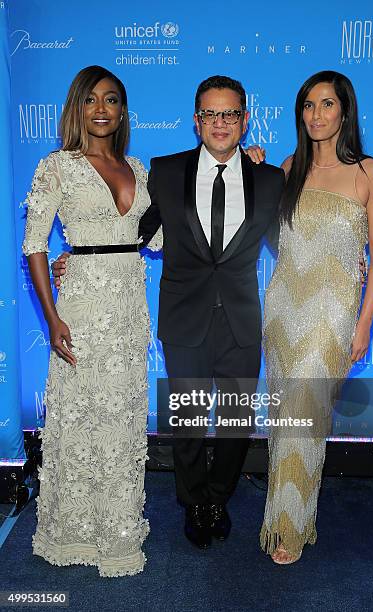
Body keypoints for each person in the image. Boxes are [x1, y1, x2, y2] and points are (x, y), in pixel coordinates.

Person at [55, 75, 285, 549]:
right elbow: (130, 232)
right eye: (210, 114)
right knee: (187, 420)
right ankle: (194, 502)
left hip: (242, 318)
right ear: (196, 120)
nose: (220, 123)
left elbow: (289, 243)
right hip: (184, 318)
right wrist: (79, 256)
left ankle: (219, 497)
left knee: (237, 420)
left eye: (230, 114)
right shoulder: (163, 171)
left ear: (244, 120)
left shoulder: (269, 178)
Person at [23, 65, 160, 577]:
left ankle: (119, 530)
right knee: (81, 417)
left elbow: (155, 237)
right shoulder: (56, 166)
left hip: (129, 308)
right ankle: (73, 532)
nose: (102, 109)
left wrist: (239, 168)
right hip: (81, 308)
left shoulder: (139, 168)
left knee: (121, 420)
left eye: (112, 100)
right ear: (77, 107)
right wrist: (53, 318)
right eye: (92, 100)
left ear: (123, 111)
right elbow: (35, 245)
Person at [260, 70, 373, 564]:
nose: (316, 114)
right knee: (284, 419)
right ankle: (278, 517)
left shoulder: (369, 173)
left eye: (326, 104)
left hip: (331, 313)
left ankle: (291, 527)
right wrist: (259, 170)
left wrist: (364, 324)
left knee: (306, 418)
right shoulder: (290, 167)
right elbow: (276, 240)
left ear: (344, 111)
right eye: (308, 106)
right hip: (283, 310)